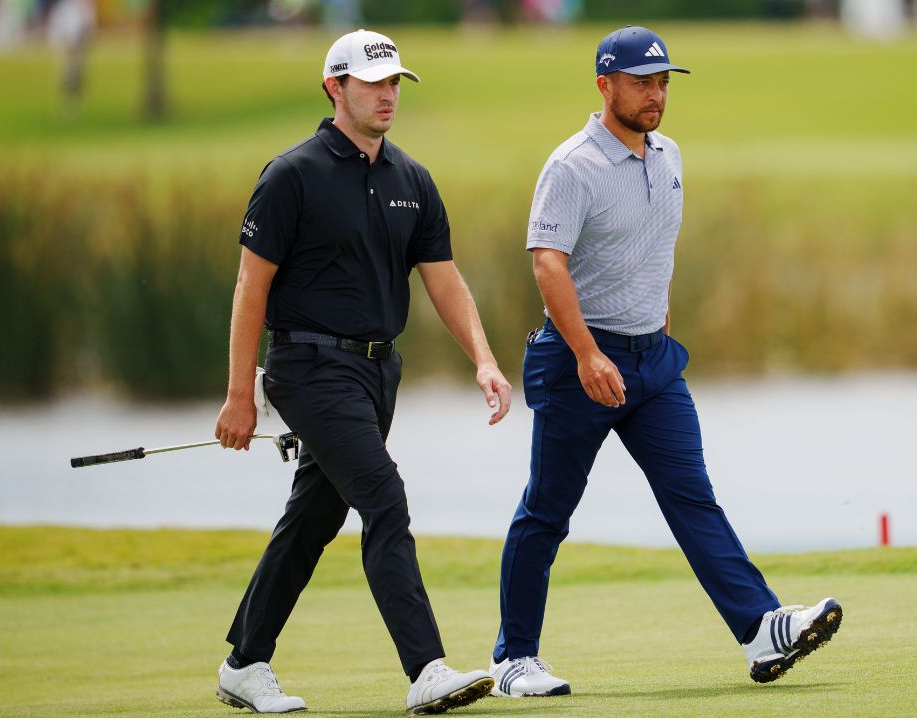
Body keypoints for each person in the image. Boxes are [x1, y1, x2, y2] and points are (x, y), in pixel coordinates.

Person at [488, 25, 843, 697]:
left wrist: (658, 316)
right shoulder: (572, 166)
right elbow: (547, 264)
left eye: (662, 83)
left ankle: (760, 630)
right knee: (548, 510)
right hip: (578, 363)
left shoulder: (669, 154)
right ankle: (513, 659)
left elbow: (653, 248)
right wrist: (587, 353)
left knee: (692, 496)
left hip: (652, 362)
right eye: (642, 83)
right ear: (605, 85)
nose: (656, 95)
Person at [212, 29, 511, 715]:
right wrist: (239, 395)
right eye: (374, 83)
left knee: (313, 517)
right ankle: (426, 668)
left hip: (378, 374)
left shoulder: (412, 180)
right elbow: (251, 288)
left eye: (395, 82)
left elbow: (443, 279)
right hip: (308, 366)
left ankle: (244, 662)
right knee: (382, 496)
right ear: (335, 88)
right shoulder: (292, 175)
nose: (387, 95)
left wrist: (485, 360)